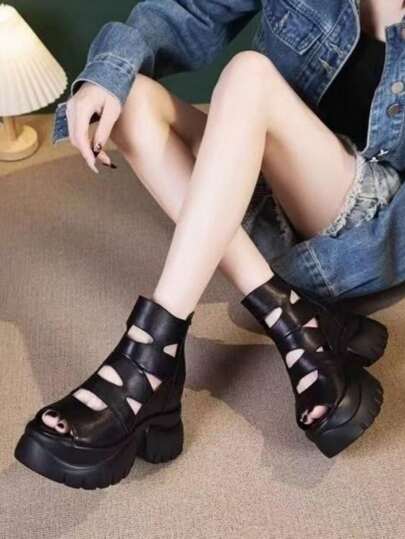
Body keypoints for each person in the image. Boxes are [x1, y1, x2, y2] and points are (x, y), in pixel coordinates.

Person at [15, 0, 401, 488]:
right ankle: (291, 314)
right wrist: (104, 77)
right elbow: (188, 10)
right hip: (259, 176)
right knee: (130, 97)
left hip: (362, 217)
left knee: (248, 75)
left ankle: (148, 358)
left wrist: (339, 264)